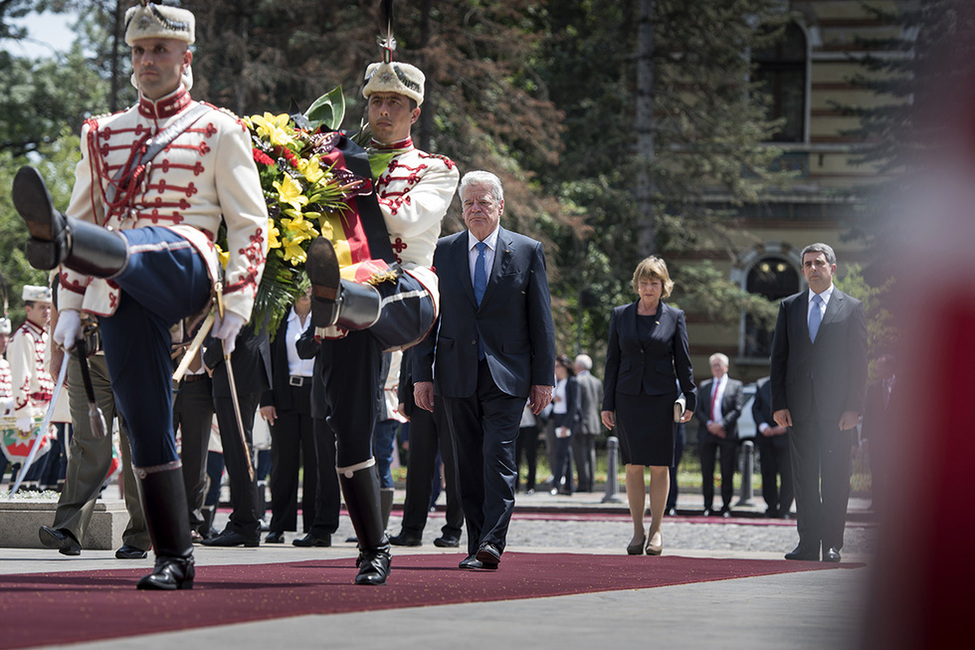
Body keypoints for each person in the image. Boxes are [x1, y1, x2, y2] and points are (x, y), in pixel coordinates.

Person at [10, 3, 267, 589]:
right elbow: (85, 211)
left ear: (186, 58)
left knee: (128, 245)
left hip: (186, 263)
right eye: (138, 50)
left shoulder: (217, 127)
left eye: (160, 49)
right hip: (115, 285)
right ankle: (173, 557)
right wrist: (70, 310)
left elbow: (251, 224)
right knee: (146, 420)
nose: (147, 60)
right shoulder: (103, 134)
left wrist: (240, 300)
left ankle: (77, 246)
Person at [301, 51, 459, 585]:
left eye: (396, 102)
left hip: (408, 290)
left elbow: (406, 217)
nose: (383, 110)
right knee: (348, 433)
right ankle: (374, 548)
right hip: (346, 302)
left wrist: (337, 179)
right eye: (375, 100)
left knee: (367, 293)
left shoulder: (436, 169)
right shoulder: (335, 157)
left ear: (415, 112)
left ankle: (327, 308)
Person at [414, 169, 556, 571]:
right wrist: (421, 374)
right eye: (468, 204)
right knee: (465, 464)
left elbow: (541, 320)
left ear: (500, 206)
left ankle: (493, 541)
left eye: (483, 203)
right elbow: (426, 317)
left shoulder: (527, 250)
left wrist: (543, 378)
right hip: (454, 373)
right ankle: (476, 543)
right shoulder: (441, 251)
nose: (475, 210)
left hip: (507, 374)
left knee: (498, 455)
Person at [770, 242, 867, 563]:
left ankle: (832, 544)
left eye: (819, 263)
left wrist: (854, 407)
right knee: (805, 479)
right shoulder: (789, 307)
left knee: (837, 479)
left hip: (838, 412)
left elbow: (859, 363)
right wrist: (779, 404)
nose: (813, 268)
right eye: (808, 263)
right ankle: (808, 543)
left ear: (832, 268)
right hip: (799, 411)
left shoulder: (851, 307)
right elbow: (779, 359)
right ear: (802, 270)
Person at [39, 285, 150, 558]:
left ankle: (140, 536)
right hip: (84, 354)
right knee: (87, 443)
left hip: (135, 353)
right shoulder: (75, 245)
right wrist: (56, 351)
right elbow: (61, 291)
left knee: (137, 446)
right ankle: (69, 530)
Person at [601, 256, 696, 556]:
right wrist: (607, 403)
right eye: (643, 282)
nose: (648, 288)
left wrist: (690, 397)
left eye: (654, 283)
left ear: (664, 286)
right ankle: (637, 531)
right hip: (627, 398)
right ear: (636, 285)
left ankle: (656, 530)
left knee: (659, 465)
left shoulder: (674, 316)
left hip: (660, 399)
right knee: (632, 466)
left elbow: (683, 361)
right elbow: (612, 362)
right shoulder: (621, 315)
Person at [201, 323, 271, 548]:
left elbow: (232, 323)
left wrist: (209, 359)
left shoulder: (241, 286)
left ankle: (246, 524)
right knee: (238, 450)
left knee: (238, 449)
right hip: (245, 367)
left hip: (236, 368)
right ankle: (245, 521)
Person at [388, 345, 464, 548]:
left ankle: (453, 530)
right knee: (418, 465)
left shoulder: (459, 313)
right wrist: (403, 397)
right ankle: (411, 530)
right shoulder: (423, 313)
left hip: (453, 393)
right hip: (420, 395)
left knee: (454, 464)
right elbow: (410, 353)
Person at [260, 289, 316, 544]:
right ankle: (279, 524)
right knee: (283, 463)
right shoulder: (280, 317)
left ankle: (314, 526)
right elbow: (265, 358)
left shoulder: (323, 316)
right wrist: (267, 398)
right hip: (285, 395)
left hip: (316, 395)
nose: (306, 291)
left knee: (316, 462)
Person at [6, 285, 54, 491]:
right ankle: (16, 513)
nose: (47, 312)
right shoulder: (23, 337)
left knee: (45, 470)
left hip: (46, 410)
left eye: (49, 307)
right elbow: (20, 377)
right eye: (41, 307)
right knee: (27, 467)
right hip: (32, 411)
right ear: (28, 309)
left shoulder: (44, 336)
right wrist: (23, 412)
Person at [172, 346, 215, 543]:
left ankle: (191, 523)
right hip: (168, 383)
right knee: (159, 456)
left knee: (196, 459)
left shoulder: (211, 317)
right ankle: (157, 521)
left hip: (199, 387)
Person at [695, 353, 744, 518]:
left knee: (727, 471)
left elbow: (737, 409)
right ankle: (707, 505)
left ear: (726, 367)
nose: (716, 368)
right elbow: (698, 409)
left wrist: (722, 425)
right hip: (707, 433)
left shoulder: (735, 385)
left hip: (727, 434)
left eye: (719, 365)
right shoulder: (704, 385)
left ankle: (726, 506)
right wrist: (710, 425)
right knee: (707, 471)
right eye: (714, 365)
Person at [751, 376, 793, 518]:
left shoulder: (792, 381)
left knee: (788, 475)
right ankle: (771, 507)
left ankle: (785, 509)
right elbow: (756, 408)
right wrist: (763, 427)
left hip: (786, 438)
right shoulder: (761, 383)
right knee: (768, 474)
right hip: (766, 437)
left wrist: (785, 427)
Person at [862, 353, 895, 514]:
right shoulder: (874, 387)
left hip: (895, 439)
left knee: (894, 471)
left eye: (880, 367)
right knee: (876, 471)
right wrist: (865, 438)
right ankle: (876, 504)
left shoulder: (902, 386)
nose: (877, 370)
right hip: (877, 438)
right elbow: (867, 414)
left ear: (889, 368)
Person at [549, 355, 580, 496]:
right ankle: (569, 487)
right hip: (558, 419)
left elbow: (575, 406)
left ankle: (555, 485)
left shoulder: (573, 382)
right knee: (565, 452)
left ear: (565, 367)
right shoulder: (559, 382)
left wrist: (566, 426)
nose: (555, 370)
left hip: (568, 421)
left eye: (557, 366)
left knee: (561, 453)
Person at [572, 353, 603, 493]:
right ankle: (590, 483)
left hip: (580, 423)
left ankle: (583, 484)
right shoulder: (597, 381)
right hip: (594, 422)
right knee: (591, 454)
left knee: (580, 455)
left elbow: (575, 405)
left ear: (578, 366)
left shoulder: (577, 381)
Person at [515, 401, 539, 495]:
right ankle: (515, 485)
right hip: (517, 425)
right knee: (515, 456)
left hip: (531, 426)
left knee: (531, 456)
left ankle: (531, 486)